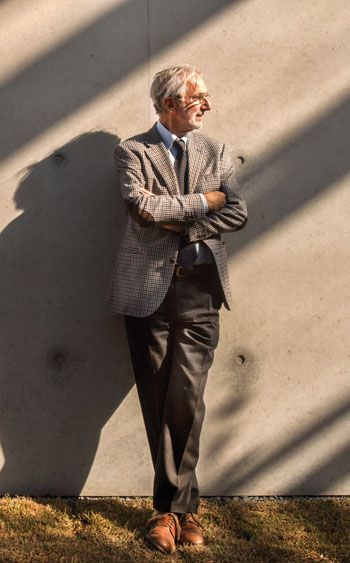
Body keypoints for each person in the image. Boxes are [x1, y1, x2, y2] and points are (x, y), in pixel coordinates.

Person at [105, 64, 248, 555]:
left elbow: (237, 211)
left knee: (186, 398)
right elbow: (141, 207)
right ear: (168, 103)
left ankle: (169, 508)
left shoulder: (219, 151)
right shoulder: (133, 150)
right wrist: (204, 203)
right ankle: (179, 512)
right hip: (147, 292)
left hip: (200, 290)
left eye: (205, 97)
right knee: (158, 397)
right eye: (197, 98)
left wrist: (182, 213)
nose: (206, 105)